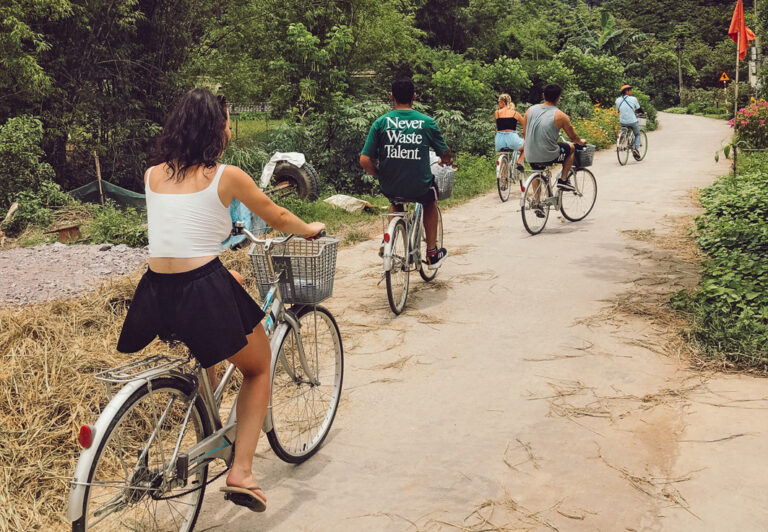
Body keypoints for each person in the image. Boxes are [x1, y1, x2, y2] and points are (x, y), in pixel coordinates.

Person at [116, 88, 325, 513]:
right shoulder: (226, 176)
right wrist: (309, 229)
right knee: (259, 365)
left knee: (217, 296)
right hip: (197, 285)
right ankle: (242, 472)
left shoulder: (152, 174)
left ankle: (206, 421)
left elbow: (180, 232)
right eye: (227, 121)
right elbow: (276, 215)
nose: (230, 128)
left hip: (157, 290)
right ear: (216, 129)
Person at [359, 76, 452, 269]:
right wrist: (446, 160)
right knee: (429, 200)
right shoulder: (426, 122)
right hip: (419, 186)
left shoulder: (381, 122)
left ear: (392, 97)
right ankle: (432, 253)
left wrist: (379, 175)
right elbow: (444, 152)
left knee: (396, 200)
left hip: (390, 185)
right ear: (414, 97)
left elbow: (364, 160)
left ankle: (389, 243)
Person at [521, 83, 586, 198]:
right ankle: (563, 179)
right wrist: (581, 142)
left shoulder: (529, 110)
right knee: (571, 148)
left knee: (537, 171)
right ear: (558, 98)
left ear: (543, 95)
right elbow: (573, 138)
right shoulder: (561, 116)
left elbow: (524, 132)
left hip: (530, 153)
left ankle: (537, 203)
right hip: (548, 154)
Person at [494, 93, 525, 171]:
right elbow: (525, 124)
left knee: (503, 154)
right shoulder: (515, 113)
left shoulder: (496, 113)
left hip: (499, 140)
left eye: (499, 102)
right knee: (527, 146)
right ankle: (519, 162)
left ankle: (502, 179)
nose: (498, 103)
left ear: (503, 102)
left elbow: (498, 127)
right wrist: (524, 132)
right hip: (512, 139)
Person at [615, 84, 643, 159]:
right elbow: (639, 109)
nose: (631, 91)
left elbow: (618, 109)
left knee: (624, 130)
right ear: (627, 91)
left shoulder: (617, 100)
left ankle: (622, 142)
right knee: (637, 134)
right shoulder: (633, 99)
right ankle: (635, 149)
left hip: (622, 121)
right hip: (632, 121)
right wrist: (643, 113)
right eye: (630, 90)